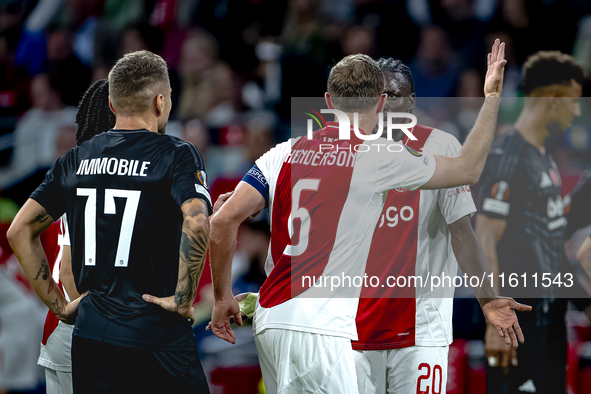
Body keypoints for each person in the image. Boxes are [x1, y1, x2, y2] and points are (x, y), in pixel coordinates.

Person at [208, 41, 516, 394]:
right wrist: (491, 99)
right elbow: (468, 169)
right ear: (377, 102)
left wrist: (222, 294)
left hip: (289, 318)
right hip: (334, 327)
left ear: (328, 101)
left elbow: (224, 218)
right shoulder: (376, 155)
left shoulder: (289, 149)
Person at [7, 50, 212, 394]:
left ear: (113, 105)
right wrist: (183, 297)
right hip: (155, 334)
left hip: (92, 336)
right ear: (160, 102)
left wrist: (60, 307)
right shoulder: (175, 154)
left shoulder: (75, 160)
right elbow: (198, 222)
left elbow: (19, 230)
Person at [352, 58, 531, 394]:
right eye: (378, 95)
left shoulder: (440, 146)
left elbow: (462, 233)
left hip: (422, 329)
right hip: (353, 329)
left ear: (412, 100)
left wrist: (488, 299)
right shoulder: (348, 152)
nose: (385, 103)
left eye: (394, 95)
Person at [475, 50, 586, 394]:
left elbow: (549, 245)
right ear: (552, 99)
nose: (578, 111)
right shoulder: (508, 153)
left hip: (549, 324)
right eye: (574, 101)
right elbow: (485, 239)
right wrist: (496, 322)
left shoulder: (543, 157)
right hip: (519, 329)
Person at [37, 79, 115, 394]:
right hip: (81, 334)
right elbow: (69, 271)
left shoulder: (86, 171)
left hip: (65, 332)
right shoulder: (99, 177)